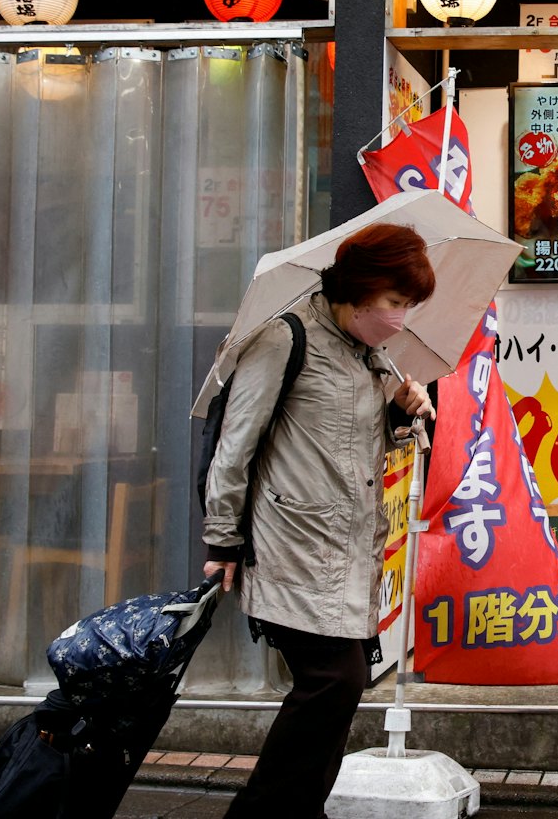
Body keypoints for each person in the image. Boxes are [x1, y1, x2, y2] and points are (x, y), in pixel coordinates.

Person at [202, 223, 439, 819]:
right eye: (394, 301)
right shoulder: (284, 338)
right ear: (358, 289)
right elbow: (234, 447)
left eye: (408, 305)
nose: (400, 317)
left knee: (340, 686)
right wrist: (222, 540)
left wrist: (402, 412)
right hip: (291, 548)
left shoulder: (372, 357)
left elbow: (360, 448)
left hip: (349, 554)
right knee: (334, 680)